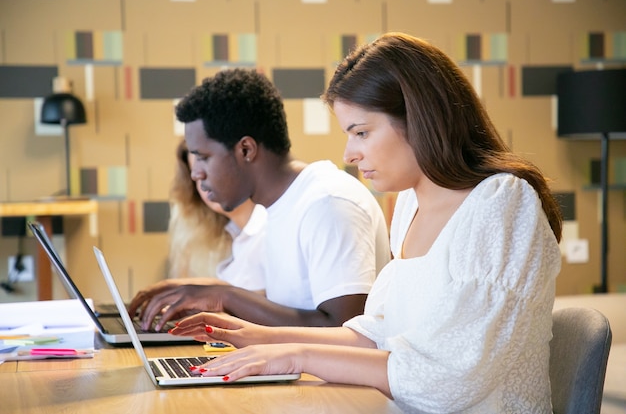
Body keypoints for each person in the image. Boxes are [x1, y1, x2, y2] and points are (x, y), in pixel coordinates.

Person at [169, 32, 563, 413]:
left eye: (361, 132)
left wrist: (294, 355)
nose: (350, 153)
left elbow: (448, 380)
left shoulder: (503, 204)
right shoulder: (410, 205)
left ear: (419, 117)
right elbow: (381, 334)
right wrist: (263, 339)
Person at [130, 68, 391, 331]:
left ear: (246, 149)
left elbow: (342, 329)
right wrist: (208, 292)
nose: (196, 173)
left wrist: (225, 297)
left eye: (204, 157)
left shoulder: (328, 203)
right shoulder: (277, 208)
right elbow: (295, 309)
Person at [130, 139, 266, 309]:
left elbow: (268, 303)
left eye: (207, 169)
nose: (202, 182)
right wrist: (183, 289)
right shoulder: (236, 236)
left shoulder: (267, 228)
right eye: (195, 176)